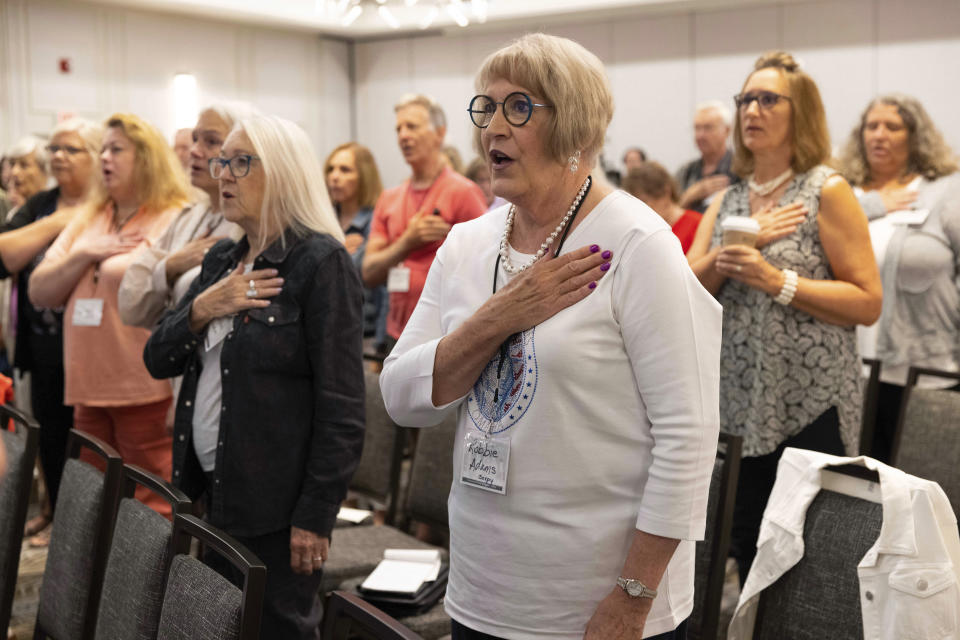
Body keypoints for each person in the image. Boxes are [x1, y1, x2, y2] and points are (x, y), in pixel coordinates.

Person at [380, 33, 721, 640]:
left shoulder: (638, 245)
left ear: (576, 127)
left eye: (518, 108)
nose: (492, 129)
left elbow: (688, 437)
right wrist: (497, 317)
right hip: (482, 589)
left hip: (596, 602)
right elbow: (401, 398)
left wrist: (633, 598)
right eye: (485, 108)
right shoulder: (468, 244)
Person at [144, 115, 365, 639]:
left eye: (241, 162)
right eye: (224, 161)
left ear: (284, 172)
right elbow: (157, 358)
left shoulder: (321, 262)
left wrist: (315, 516)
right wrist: (202, 306)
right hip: (209, 493)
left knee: (276, 628)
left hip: (276, 506)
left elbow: (343, 408)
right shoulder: (223, 258)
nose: (224, 174)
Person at [687, 51, 882, 585]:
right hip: (737, 399)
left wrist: (776, 280)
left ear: (803, 112)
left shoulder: (828, 190)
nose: (752, 109)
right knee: (744, 539)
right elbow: (687, 290)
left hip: (808, 397)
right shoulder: (727, 199)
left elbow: (868, 301)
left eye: (768, 99)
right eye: (745, 99)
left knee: (802, 556)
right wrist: (736, 250)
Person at [29, 113, 189, 516]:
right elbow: (39, 289)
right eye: (102, 148)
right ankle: (100, 580)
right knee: (92, 502)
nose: (105, 158)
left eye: (117, 149)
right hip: (86, 383)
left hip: (142, 385)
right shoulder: (92, 216)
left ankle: (149, 581)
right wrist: (87, 252)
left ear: (147, 158)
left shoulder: (174, 215)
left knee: (150, 504)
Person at [839, 94, 960, 463]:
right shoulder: (842, 190)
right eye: (871, 126)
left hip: (924, 367)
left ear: (915, 135)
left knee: (924, 481)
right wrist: (873, 205)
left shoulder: (944, 189)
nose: (879, 135)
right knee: (857, 484)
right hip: (850, 372)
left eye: (893, 126)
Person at [0, 118, 103, 546]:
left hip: (93, 351)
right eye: (54, 149)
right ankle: (59, 516)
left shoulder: (107, 203)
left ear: (96, 156)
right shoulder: (42, 203)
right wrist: (63, 220)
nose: (57, 157)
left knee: (93, 446)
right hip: (42, 347)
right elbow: (4, 256)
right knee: (52, 436)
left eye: (70, 149)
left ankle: (89, 528)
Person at [361, 94, 486, 351]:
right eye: (398, 129)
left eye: (412, 126)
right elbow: (369, 273)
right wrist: (407, 242)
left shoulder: (464, 193)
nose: (403, 135)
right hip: (397, 334)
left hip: (446, 335)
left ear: (439, 134)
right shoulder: (389, 198)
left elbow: (486, 269)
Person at [324, 142, 388, 349]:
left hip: (363, 337)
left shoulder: (376, 222)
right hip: (324, 333)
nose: (334, 176)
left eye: (345, 170)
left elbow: (384, 292)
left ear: (364, 176)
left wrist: (381, 342)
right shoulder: (322, 221)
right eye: (331, 169)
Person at [622, 161, 702, 255]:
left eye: (645, 202)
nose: (641, 210)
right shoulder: (643, 230)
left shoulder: (698, 224)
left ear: (665, 192)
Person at [675, 101, 738, 213]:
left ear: (727, 130)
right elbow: (669, 215)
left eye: (708, 128)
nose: (700, 135)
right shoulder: (685, 171)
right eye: (697, 128)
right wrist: (689, 196)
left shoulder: (740, 169)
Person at [6, 136, 50, 210]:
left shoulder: (53, 209)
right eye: (12, 164)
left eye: (24, 165)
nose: (14, 172)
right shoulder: (14, 211)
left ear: (45, 169)